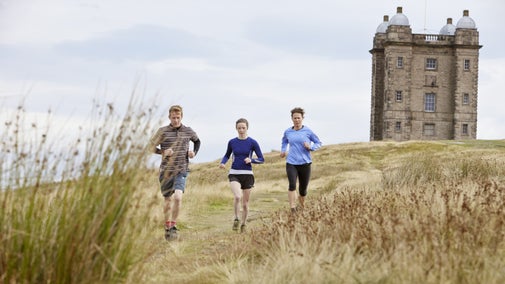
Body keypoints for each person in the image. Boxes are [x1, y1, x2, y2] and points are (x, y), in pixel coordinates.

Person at [149, 105, 201, 241]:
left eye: (178, 118)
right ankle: (167, 227)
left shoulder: (188, 131)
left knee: (178, 197)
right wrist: (162, 152)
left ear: (181, 117)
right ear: (169, 117)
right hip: (166, 172)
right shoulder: (163, 131)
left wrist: (193, 152)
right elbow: (150, 146)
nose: (176, 120)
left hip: (181, 170)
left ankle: (173, 225)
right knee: (168, 200)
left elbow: (197, 141)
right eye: (173, 118)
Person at [219, 118, 264, 233]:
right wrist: (223, 163)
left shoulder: (252, 142)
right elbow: (227, 155)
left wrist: (252, 160)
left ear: (247, 128)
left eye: (243, 128)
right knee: (238, 196)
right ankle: (236, 218)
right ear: (236, 128)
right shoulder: (232, 142)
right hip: (234, 173)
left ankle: (244, 224)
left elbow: (261, 159)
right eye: (239, 128)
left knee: (245, 204)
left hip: (248, 175)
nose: (241, 130)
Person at [280, 107, 322, 213]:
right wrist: (283, 150)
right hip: (291, 162)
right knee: (292, 185)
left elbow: (318, 143)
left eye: (298, 118)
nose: (297, 120)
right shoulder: (288, 131)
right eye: (295, 118)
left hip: (305, 163)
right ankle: (293, 209)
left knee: (303, 190)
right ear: (292, 119)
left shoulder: (308, 131)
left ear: (302, 118)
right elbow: (284, 141)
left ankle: (302, 207)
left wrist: (311, 147)